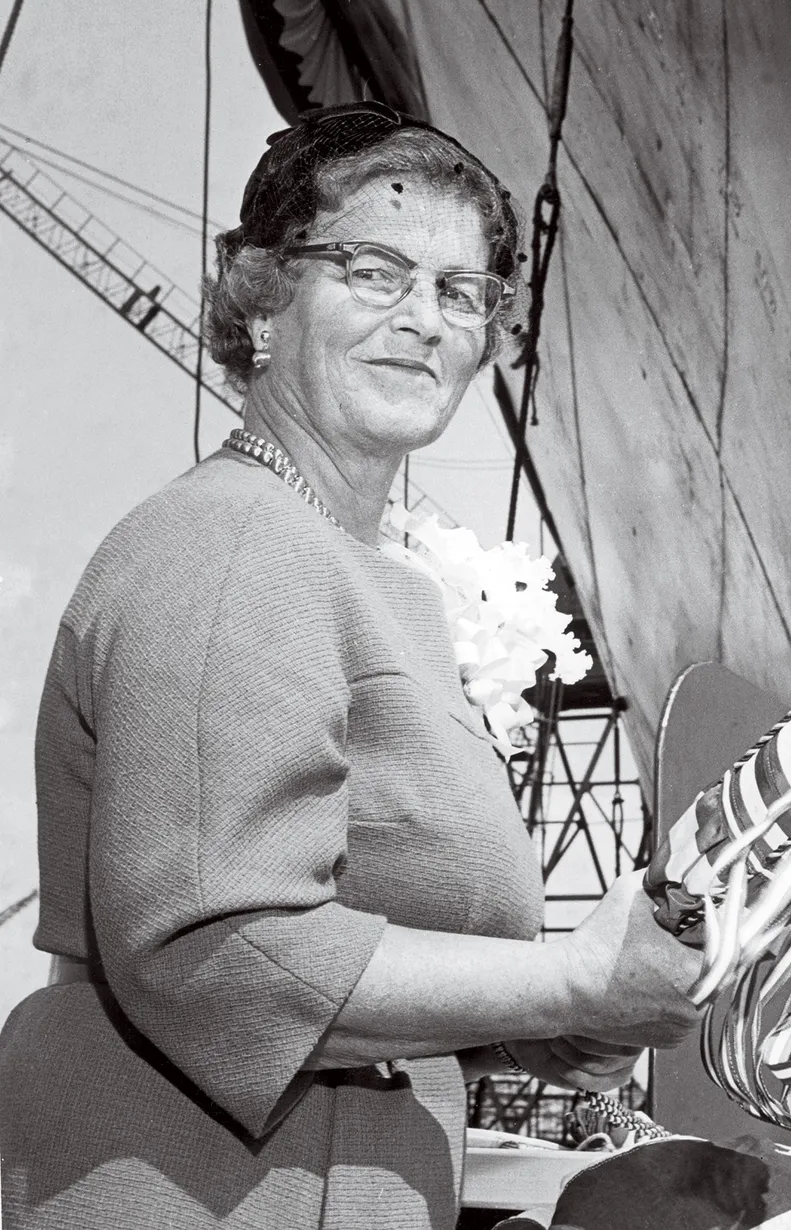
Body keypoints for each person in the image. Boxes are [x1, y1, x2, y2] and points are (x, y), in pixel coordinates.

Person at [0, 102, 702, 1230]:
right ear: (265, 298)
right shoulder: (232, 543)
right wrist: (566, 977)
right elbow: (221, 955)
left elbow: (369, 961)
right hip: (192, 1191)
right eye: (376, 270)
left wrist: (568, 1022)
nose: (423, 319)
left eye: (461, 293)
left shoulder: (374, 586)